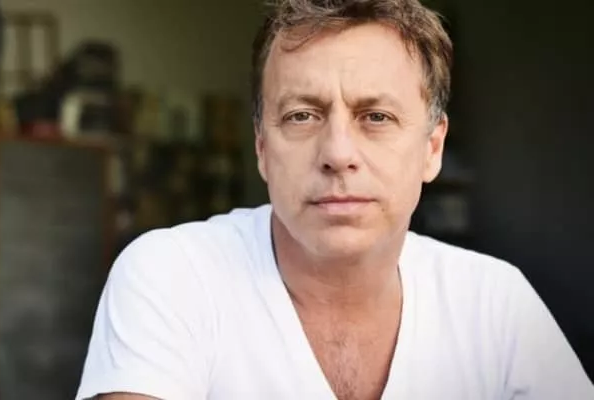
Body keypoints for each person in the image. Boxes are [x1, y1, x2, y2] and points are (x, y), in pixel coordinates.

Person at [75, 0, 594, 399]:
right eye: (302, 115)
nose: (338, 154)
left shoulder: (496, 304)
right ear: (261, 148)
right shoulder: (173, 275)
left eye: (377, 117)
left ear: (432, 148)